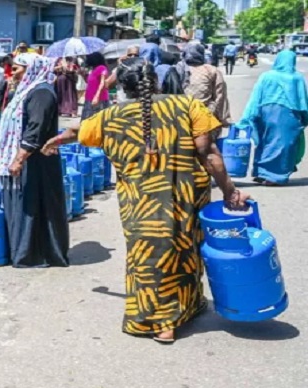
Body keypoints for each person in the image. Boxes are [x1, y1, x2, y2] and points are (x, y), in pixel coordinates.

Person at [44, 57, 250, 343]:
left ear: (125, 88)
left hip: (142, 204)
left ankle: (160, 320)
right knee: (186, 250)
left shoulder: (109, 117)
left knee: (148, 256)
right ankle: (183, 308)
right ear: (155, 80)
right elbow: (208, 151)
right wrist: (230, 190)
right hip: (187, 197)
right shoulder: (187, 105)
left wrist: (56, 141)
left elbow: (77, 132)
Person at [0, 54, 69, 268]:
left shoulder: (41, 93)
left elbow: (35, 129)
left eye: (17, 69)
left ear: (32, 69)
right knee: (25, 204)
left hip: (36, 160)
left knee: (34, 205)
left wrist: (19, 159)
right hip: (30, 157)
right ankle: (22, 250)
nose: (13, 73)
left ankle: (35, 254)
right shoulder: (28, 90)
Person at [238, 50, 308, 186]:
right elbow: (303, 100)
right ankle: (274, 176)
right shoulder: (296, 78)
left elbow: (255, 97)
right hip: (289, 114)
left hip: (265, 112)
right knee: (284, 144)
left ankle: (261, 172)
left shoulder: (266, 76)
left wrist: (250, 115)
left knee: (265, 141)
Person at [179, 43, 230, 131]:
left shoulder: (178, 69)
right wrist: (224, 119)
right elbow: (220, 96)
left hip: (180, 116)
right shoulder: (211, 70)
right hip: (205, 116)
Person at [82, 52, 110, 120]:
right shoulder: (93, 70)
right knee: (87, 119)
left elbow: (102, 83)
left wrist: (96, 96)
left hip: (99, 99)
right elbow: (89, 82)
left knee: (97, 120)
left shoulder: (102, 68)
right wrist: (82, 74)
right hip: (89, 98)